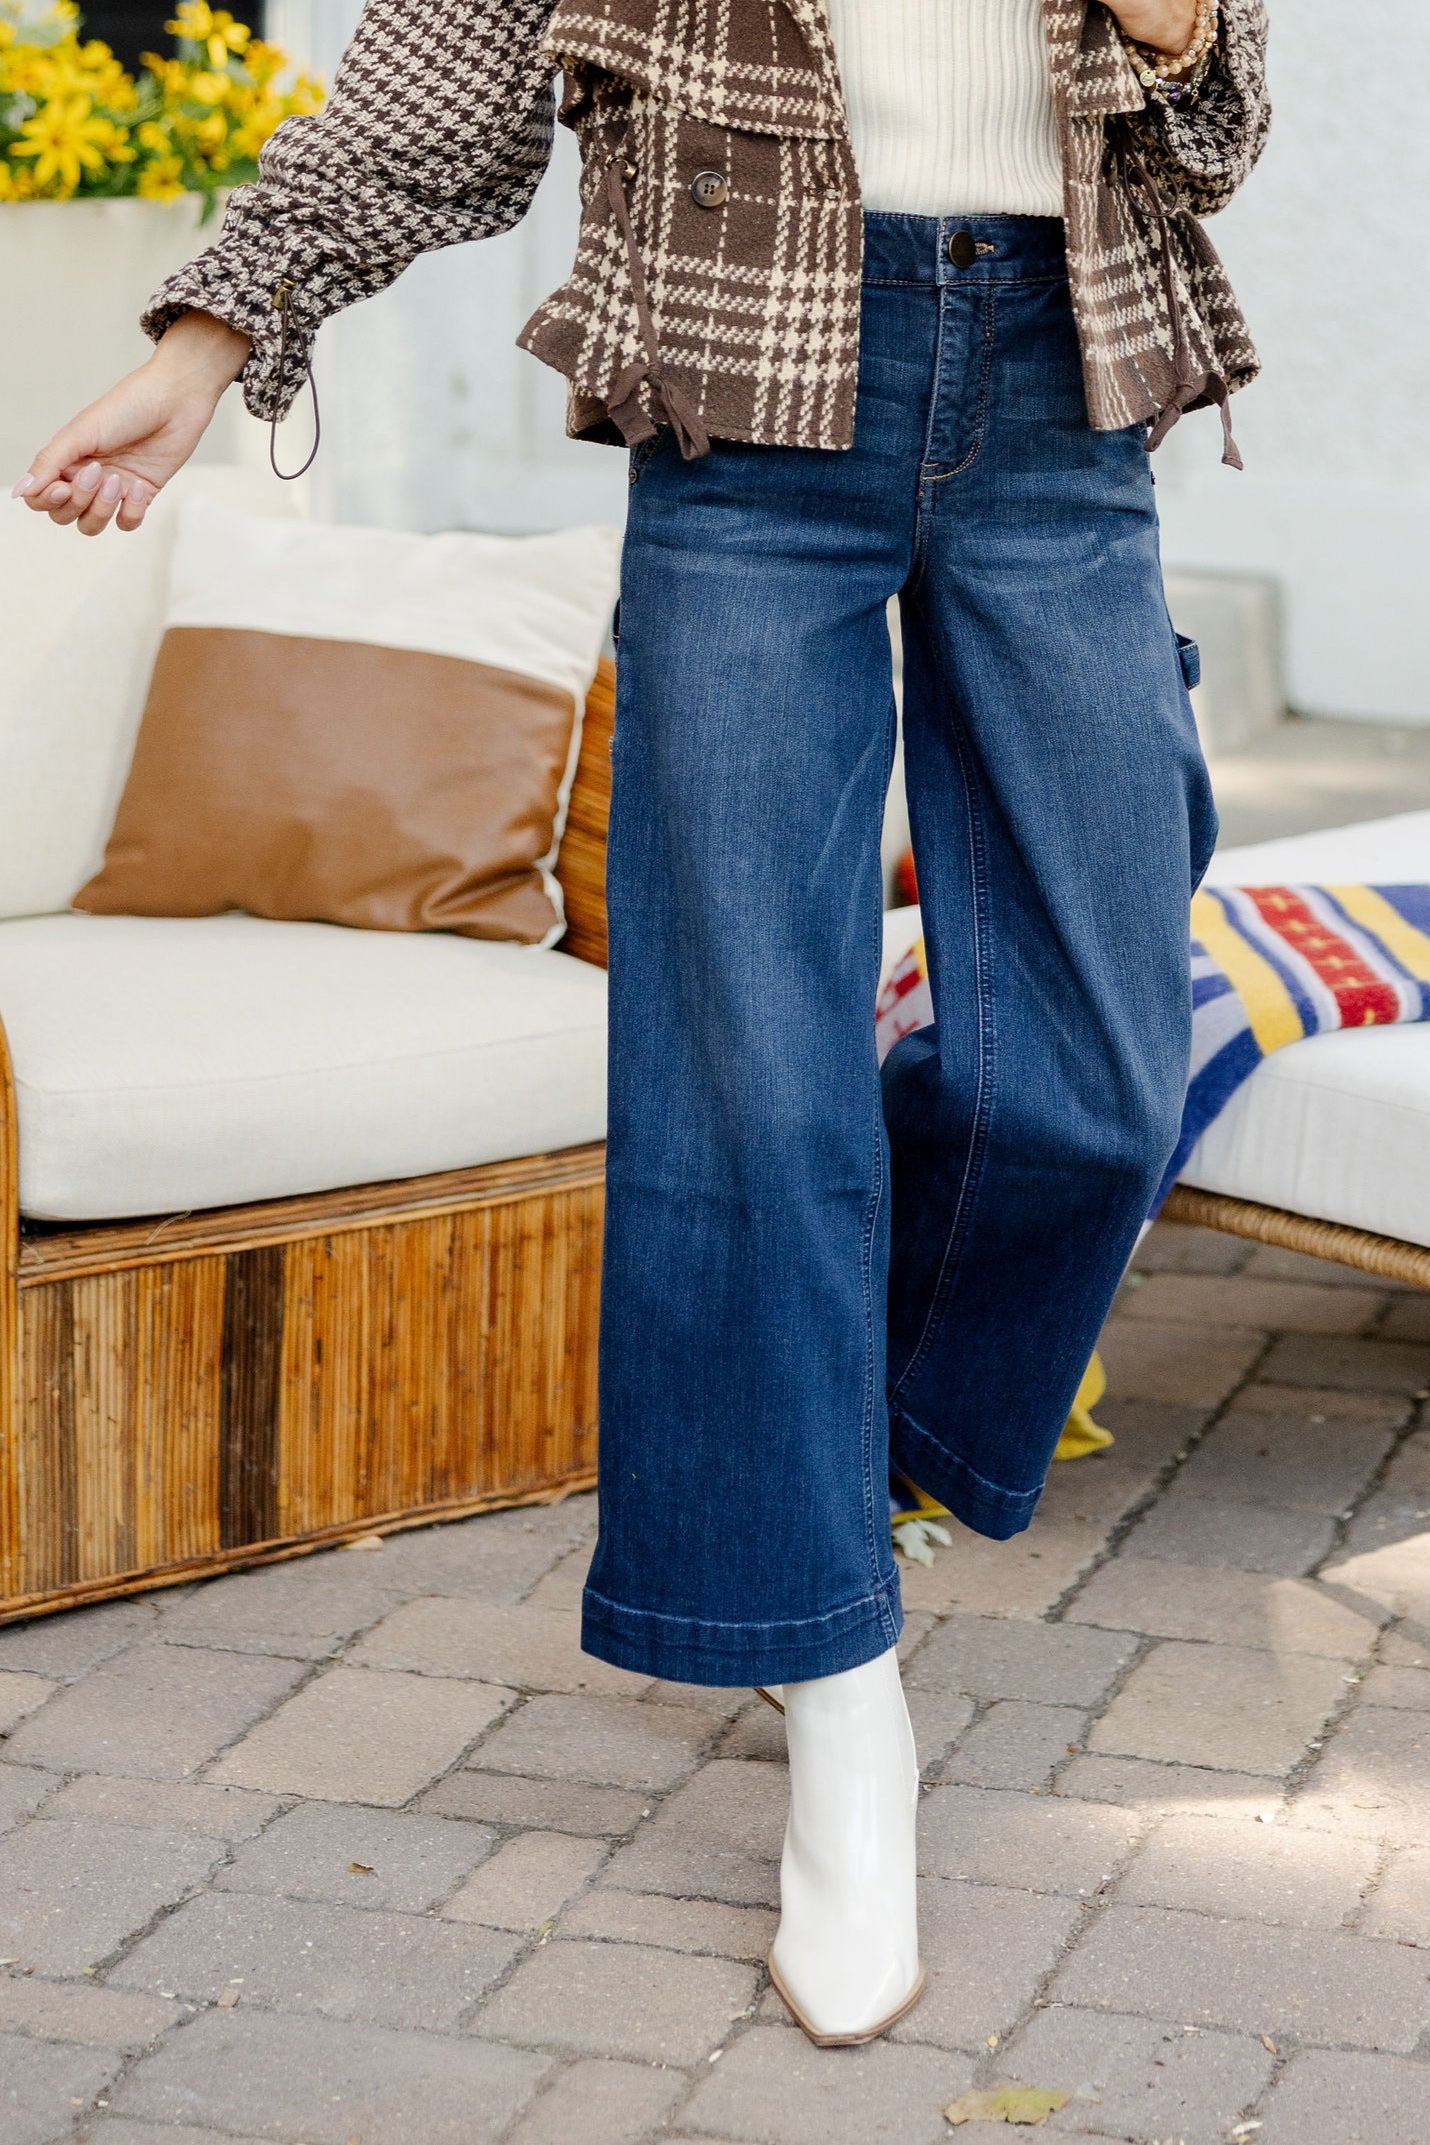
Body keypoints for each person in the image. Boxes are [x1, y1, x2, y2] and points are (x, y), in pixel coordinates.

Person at [16, 0, 1269, 2048]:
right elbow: (425, 109)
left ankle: (817, 1457)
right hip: (749, 416)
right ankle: (835, 1678)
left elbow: (1210, 136)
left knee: (1098, 1087)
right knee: (751, 1099)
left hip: (1064, 391)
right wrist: (199, 350)